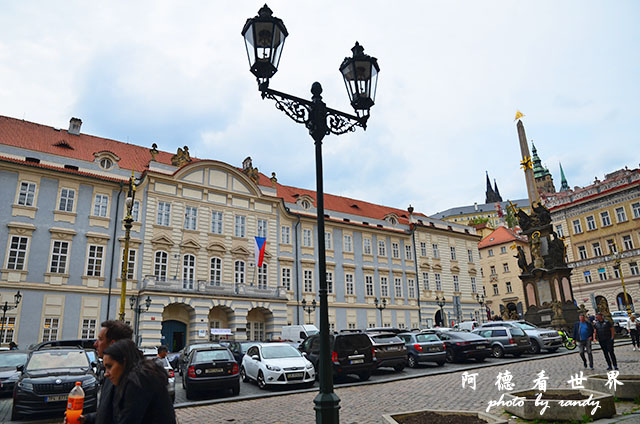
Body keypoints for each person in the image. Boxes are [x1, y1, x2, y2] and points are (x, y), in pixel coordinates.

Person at [70, 320, 133, 424]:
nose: (95, 344)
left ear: (113, 344)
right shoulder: (111, 372)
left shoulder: (133, 381)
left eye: (100, 339)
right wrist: (86, 419)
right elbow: (108, 414)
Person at [104, 339, 176, 424]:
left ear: (124, 362)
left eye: (109, 367)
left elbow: (127, 419)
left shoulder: (137, 382)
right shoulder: (132, 379)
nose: (106, 374)